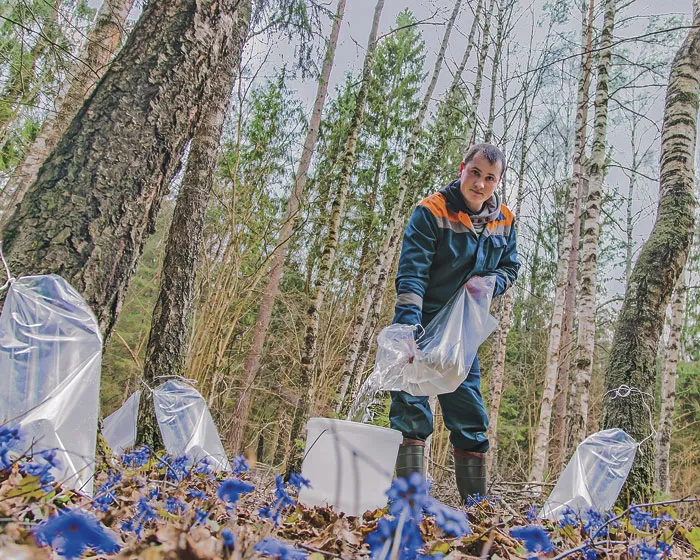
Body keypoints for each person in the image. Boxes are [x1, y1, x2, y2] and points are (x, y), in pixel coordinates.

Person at [391, 142, 519, 501]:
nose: (480, 184)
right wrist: (407, 331)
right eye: (475, 173)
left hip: (463, 335)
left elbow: (510, 267)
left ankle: (475, 510)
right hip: (422, 325)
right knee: (411, 411)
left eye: (490, 178)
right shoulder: (431, 211)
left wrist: (491, 284)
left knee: (470, 417)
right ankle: (410, 505)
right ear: (462, 168)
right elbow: (411, 276)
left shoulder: (505, 220)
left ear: (498, 182)